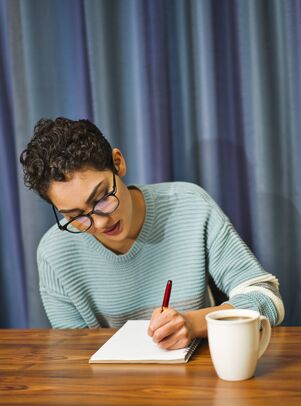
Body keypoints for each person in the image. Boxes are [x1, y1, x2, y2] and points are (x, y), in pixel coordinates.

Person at [20, 118, 285, 349]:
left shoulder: (189, 205)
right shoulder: (54, 252)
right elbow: (73, 352)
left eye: (102, 198)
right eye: (76, 216)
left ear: (118, 163)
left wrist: (193, 323)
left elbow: (266, 297)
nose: (99, 224)